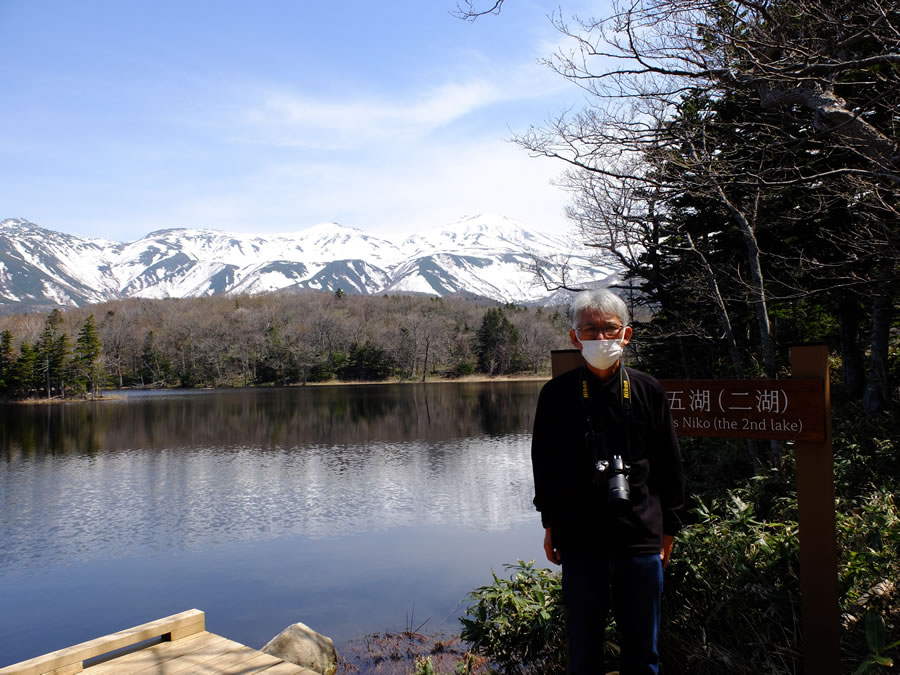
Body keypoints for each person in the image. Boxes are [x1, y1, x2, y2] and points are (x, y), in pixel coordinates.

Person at [531, 288, 685, 675]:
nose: (600, 337)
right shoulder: (556, 395)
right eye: (589, 330)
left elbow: (670, 464)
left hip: (641, 535)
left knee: (643, 654)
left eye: (609, 329)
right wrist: (550, 523)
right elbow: (544, 466)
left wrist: (670, 530)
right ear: (574, 337)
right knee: (583, 652)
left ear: (626, 335)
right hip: (581, 538)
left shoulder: (648, 390)